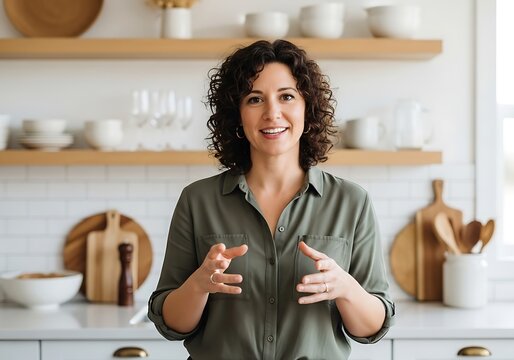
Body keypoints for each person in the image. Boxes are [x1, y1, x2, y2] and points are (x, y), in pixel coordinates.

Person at [148, 39, 395, 360]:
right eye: (254, 99)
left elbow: (372, 327)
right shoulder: (197, 200)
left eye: (287, 96)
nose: (272, 113)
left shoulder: (352, 201)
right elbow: (171, 324)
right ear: (237, 115)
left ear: (308, 107)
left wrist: (346, 289)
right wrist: (197, 285)